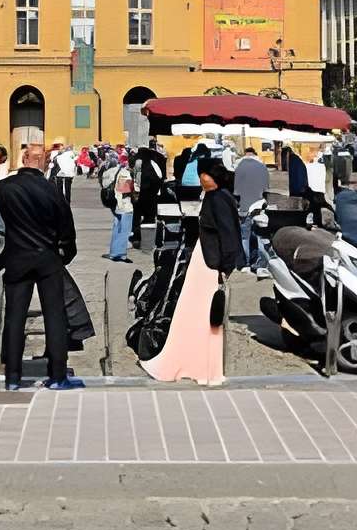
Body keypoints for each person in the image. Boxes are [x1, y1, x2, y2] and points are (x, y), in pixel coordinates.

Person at [146, 159, 245, 385]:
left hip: (210, 264)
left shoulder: (218, 199)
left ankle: (198, 365)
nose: (201, 179)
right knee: (194, 316)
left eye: (204, 175)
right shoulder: (215, 196)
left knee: (199, 316)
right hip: (205, 261)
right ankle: (199, 365)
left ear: (213, 176)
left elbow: (228, 234)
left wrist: (225, 267)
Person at [0, 144, 82, 391]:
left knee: (14, 317)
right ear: (43, 162)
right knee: (54, 315)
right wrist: (65, 253)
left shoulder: (5, 187)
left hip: (17, 256)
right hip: (47, 258)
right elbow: (66, 227)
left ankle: (12, 377)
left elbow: (4, 219)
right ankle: (58, 376)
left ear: (24, 159)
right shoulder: (52, 190)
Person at [230, 143, 271, 268]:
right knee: (259, 235)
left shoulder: (239, 167)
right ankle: (261, 261)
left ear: (245, 155)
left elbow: (236, 191)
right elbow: (266, 188)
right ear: (254, 154)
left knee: (245, 237)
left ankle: (246, 262)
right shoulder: (262, 166)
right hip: (259, 205)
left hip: (244, 206)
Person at [106, 149, 139, 262]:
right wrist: (135, 190)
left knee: (118, 230)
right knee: (124, 231)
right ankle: (120, 253)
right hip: (125, 206)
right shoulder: (126, 174)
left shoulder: (122, 171)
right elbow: (123, 189)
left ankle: (115, 252)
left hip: (119, 205)